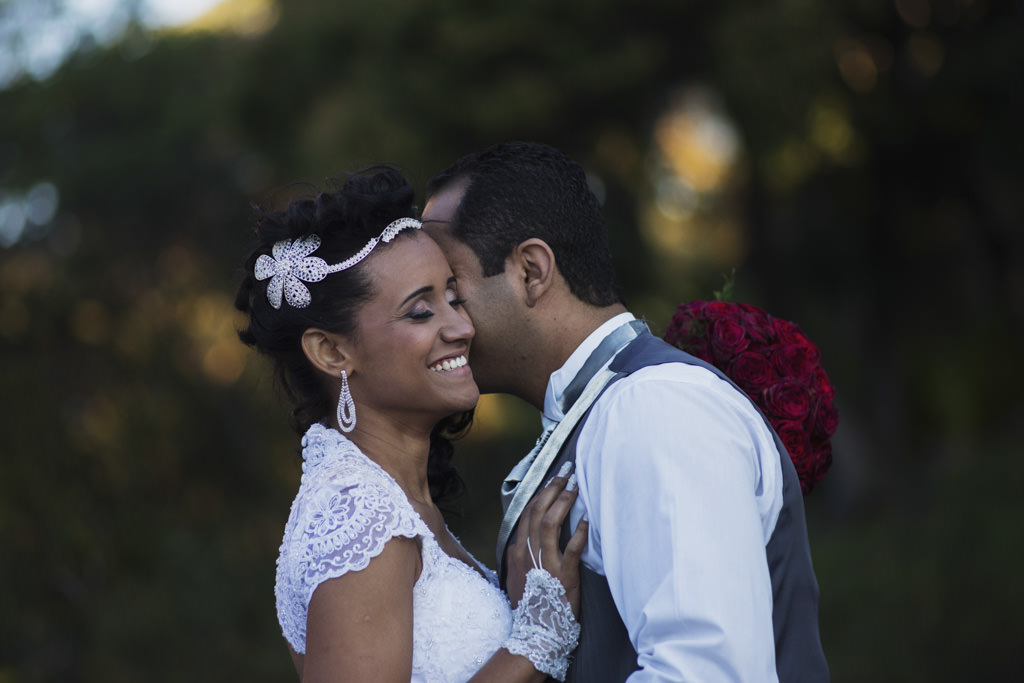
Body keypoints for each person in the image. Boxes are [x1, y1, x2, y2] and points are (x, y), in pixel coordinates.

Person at [421, 142, 830, 682]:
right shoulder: (607, 409)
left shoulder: (654, 408)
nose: (441, 323)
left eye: (452, 288)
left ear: (530, 271)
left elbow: (703, 673)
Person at [235, 166, 588, 682]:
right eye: (421, 311)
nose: (462, 326)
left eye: (453, 297)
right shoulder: (358, 515)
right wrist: (535, 640)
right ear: (332, 351)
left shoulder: (393, 503)